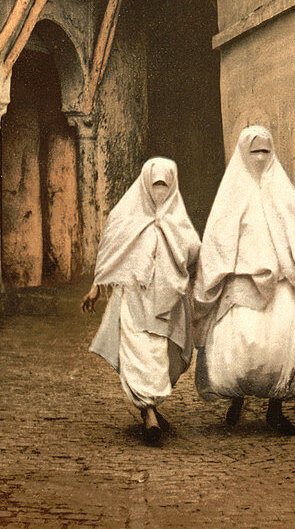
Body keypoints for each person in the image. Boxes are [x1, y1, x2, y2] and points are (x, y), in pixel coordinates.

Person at [194, 125, 295, 435]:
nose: (260, 158)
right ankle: (236, 397)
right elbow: (218, 241)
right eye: (254, 152)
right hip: (243, 285)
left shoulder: (283, 193)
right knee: (244, 348)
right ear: (242, 154)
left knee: (281, 348)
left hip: (285, 284)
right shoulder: (231, 198)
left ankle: (276, 408)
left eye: (266, 151)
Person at [81, 157, 200, 444]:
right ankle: (148, 413)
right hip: (134, 300)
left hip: (167, 304)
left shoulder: (178, 221)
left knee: (162, 356)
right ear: (146, 185)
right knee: (139, 353)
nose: (160, 192)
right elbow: (111, 255)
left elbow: (194, 253)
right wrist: (97, 287)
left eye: (165, 186)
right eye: (155, 185)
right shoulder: (126, 218)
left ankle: (151, 407)